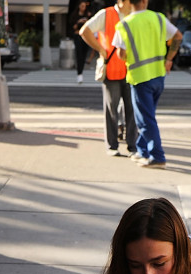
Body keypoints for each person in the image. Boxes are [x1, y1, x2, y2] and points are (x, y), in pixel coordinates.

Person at [113, 0, 182, 169]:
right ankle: (142, 151)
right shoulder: (159, 18)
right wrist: (169, 59)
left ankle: (157, 156)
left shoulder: (125, 24)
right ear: (145, 1)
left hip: (140, 77)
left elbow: (121, 55)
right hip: (159, 75)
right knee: (148, 116)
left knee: (145, 119)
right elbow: (178, 36)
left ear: (130, 3)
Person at [80, 0, 138, 157]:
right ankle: (112, 146)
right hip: (112, 69)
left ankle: (133, 145)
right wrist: (100, 49)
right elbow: (84, 31)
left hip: (131, 70)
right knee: (111, 109)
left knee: (132, 109)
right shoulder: (106, 14)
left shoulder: (134, 13)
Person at [71, 0, 93, 83]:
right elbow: (72, 27)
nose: (83, 8)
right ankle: (79, 73)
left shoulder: (88, 14)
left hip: (86, 37)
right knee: (79, 54)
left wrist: (86, 21)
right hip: (77, 36)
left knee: (84, 55)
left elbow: (91, 25)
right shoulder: (75, 15)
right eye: (82, 6)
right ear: (79, 6)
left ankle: (81, 70)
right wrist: (78, 22)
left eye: (85, 6)